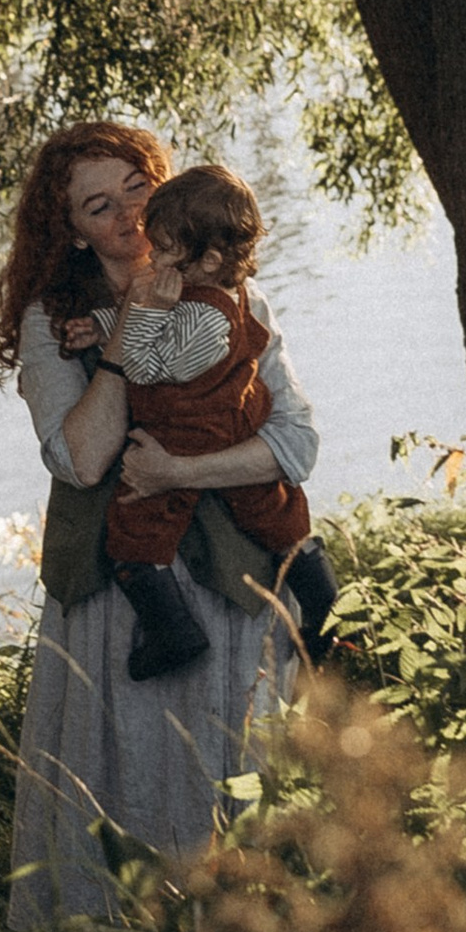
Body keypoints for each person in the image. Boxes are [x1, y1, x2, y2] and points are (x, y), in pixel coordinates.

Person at [0, 122, 326, 929]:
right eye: (97, 206)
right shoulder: (56, 321)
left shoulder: (238, 296)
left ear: (165, 183)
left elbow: (296, 445)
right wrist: (118, 345)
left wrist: (182, 472)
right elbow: (82, 459)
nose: (126, 218)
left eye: (137, 188)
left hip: (230, 574)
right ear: (70, 230)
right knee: (137, 770)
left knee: (239, 765)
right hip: (123, 593)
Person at [96, 161, 318, 683]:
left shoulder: (202, 316)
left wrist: (139, 311)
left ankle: (173, 630)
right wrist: (103, 324)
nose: (155, 255)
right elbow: (164, 336)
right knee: (275, 516)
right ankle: (322, 599)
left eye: (168, 248)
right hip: (232, 424)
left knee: (135, 530)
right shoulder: (221, 294)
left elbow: (146, 364)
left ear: (210, 258)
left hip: (192, 433)